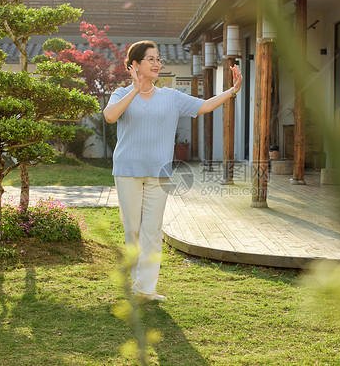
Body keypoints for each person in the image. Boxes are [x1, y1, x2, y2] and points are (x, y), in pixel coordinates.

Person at [103, 40, 242, 301]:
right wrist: (134, 90)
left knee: (152, 231)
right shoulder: (121, 94)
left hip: (159, 173)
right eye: (151, 59)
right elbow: (110, 117)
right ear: (135, 65)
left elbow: (205, 105)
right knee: (132, 229)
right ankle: (137, 281)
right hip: (127, 171)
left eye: (158, 59)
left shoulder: (171, 97)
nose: (158, 64)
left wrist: (232, 91)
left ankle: (145, 289)